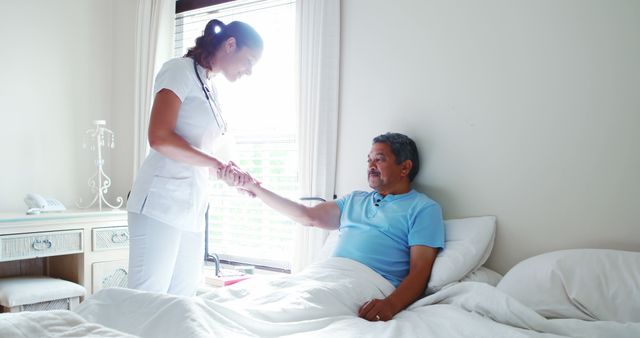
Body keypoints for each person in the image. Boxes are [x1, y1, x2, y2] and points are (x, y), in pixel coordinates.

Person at [222, 132, 445, 321]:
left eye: (379, 159)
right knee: (253, 300)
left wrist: (391, 305)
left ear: (405, 167)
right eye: (368, 160)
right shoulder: (355, 200)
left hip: (368, 282)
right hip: (324, 274)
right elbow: (307, 215)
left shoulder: (423, 208)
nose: (370, 165)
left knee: (296, 308)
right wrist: (255, 188)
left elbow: (420, 271)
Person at [126, 19, 262, 296]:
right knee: (146, 299)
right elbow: (159, 137)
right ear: (230, 44)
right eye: (248, 61)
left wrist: (232, 175)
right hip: (160, 203)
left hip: (193, 207)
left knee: (183, 299)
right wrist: (216, 163)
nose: (249, 71)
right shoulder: (179, 71)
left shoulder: (210, 88)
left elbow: (205, 154)